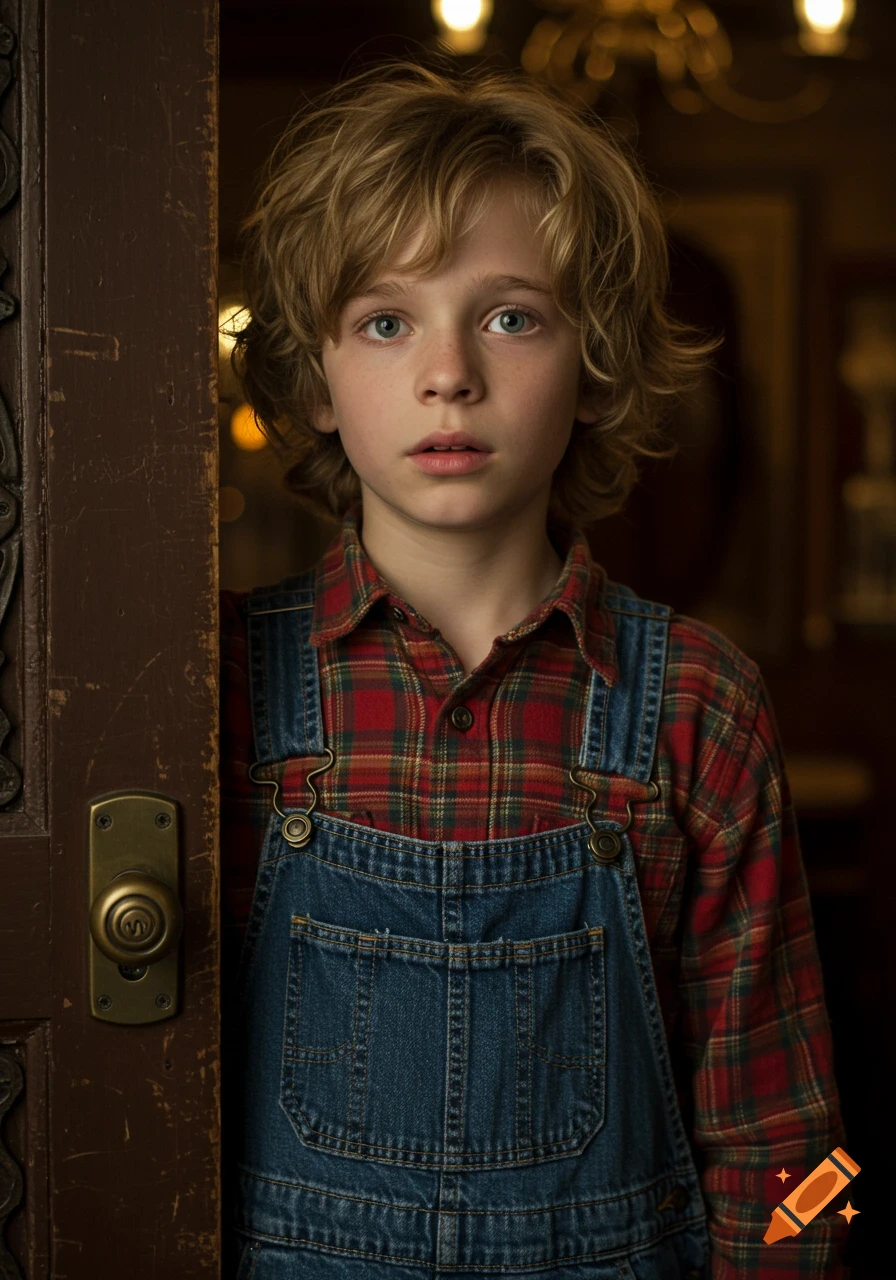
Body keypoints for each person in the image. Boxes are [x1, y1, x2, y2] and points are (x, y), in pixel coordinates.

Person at [219, 58, 851, 1279]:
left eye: (510, 316)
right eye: (385, 320)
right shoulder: (223, 678)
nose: (447, 372)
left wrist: (801, 1248)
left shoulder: (700, 702)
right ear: (312, 380)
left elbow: (797, 1148)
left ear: (594, 363)